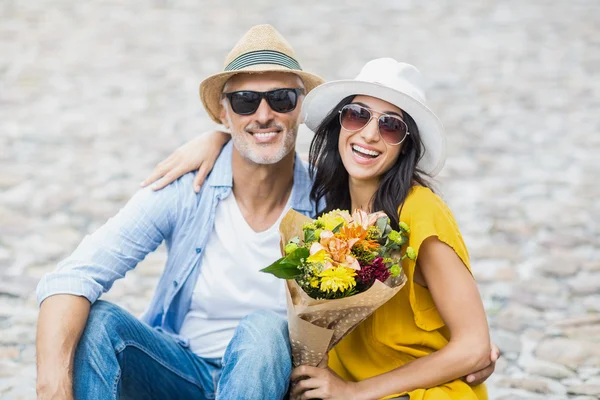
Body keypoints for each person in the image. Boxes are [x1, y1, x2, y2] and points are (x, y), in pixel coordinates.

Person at [146, 59, 496, 399]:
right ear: (339, 124)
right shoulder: (329, 206)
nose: (369, 134)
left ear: (405, 145)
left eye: (391, 126)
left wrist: (354, 392)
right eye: (357, 115)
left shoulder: (420, 211)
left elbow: (475, 346)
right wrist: (217, 139)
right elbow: (261, 145)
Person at [35, 24, 325, 400]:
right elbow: (72, 278)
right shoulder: (185, 187)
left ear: (300, 108)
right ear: (224, 113)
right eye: (245, 102)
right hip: (180, 374)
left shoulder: (326, 200)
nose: (264, 114)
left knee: (265, 330)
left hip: (271, 379)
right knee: (98, 321)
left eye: (282, 99)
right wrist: (52, 389)